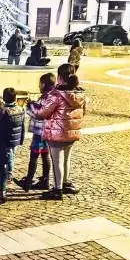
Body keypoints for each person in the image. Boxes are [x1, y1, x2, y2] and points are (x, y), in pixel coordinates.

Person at [29, 64, 87, 200]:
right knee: (66, 159)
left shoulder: (57, 95)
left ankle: (57, 189)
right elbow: (83, 112)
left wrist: (31, 106)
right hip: (72, 132)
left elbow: (43, 113)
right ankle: (64, 183)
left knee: (57, 162)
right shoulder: (80, 93)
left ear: (60, 77)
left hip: (56, 133)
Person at [16, 74, 54, 191]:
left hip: (40, 131)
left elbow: (38, 114)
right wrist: (34, 103)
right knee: (45, 154)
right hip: (47, 130)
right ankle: (45, 180)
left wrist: (29, 106)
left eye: (40, 83)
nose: (39, 86)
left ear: (44, 84)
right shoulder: (52, 96)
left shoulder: (45, 97)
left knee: (34, 155)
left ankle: (28, 182)